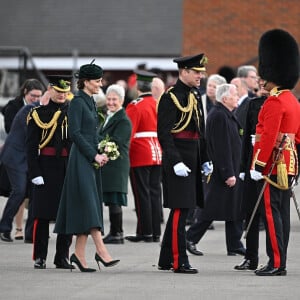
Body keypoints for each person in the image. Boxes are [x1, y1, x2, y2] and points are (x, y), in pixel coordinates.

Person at [54, 61, 119, 272]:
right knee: (90, 205)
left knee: (87, 205)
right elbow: (75, 133)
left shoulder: (90, 101)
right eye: (98, 81)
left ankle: (78, 255)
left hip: (91, 159)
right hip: (80, 160)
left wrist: (105, 147)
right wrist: (94, 154)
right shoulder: (77, 102)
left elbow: (93, 133)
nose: (101, 84)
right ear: (86, 81)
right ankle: (101, 250)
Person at [250, 29, 300, 276]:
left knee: (271, 214)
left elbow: (268, 137)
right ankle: (280, 260)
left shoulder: (275, 101)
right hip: (289, 164)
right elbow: (297, 137)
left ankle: (276, 262)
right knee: (282, 214)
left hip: (273, 164)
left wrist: (258, 165)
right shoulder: (292, 100)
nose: (261, 79)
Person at [157, 53, 211, 274]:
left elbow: (201, 131)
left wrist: (206, 158)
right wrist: (176, 161)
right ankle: (180, 261)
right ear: (184, 72)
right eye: (197, 72)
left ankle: (165, 258)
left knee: (184, 208)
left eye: (201, 73)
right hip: (177, 159)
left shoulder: (195, 95)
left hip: (193, 157)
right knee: (181, 210)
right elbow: (164, 134)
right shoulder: (170, 98)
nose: (201, 76)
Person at [186, 84, 245, 256]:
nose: (237, 97)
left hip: (228, 170)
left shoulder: (226, 114)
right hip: (222, 172)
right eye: (234, 94)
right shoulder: (219, 116)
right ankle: (189, 238)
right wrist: (228, 172)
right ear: (225, 98)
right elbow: (221, 147)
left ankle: (234, 244)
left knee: (233, 208)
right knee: (210, 209)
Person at [26, 75, 73, 269]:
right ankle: (40, 256)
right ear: (50, 90)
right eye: (58, 90)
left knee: (67, 214)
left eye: (65, 91)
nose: (61, 95)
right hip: (45, 166)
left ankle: (62, 256)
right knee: (42, 214)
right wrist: (35, 172)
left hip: (67, 166)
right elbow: (30, 146)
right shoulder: (38, 113)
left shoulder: (73, 112)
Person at [0, 79, 44, 243]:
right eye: (33, 95)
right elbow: (14, 130)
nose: (36, 98)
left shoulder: (38, 108)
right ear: (25, 92)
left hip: (29, 158)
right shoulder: (17, 107)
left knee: (33, 193)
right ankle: (4, 227)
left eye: (39, 96)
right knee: (19, 191)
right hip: (15, 156)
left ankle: (30, 233)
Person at [125, 70, 163, 243]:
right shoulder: (157, 103)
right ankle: (155, 232)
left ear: (138, 86)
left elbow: (129, 133)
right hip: (157, 152)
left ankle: (145, 232)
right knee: (154, 193)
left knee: (142, 194)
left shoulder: (135, 105)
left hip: (140, 153)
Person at [234, 85, 268, 271]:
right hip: (252, 165)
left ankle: (275, 258)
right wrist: (243, 167)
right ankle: (251, 257)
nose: (261, 86)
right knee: (251, 213)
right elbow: (246, 137)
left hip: (273, 166)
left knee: (271, 216)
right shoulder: (253, 104)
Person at [100, 84, 132, 244]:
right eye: (109, 99)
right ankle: (115, 232)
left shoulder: (123, 120)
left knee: (115, 199)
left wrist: (99, 144)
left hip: (116, 165)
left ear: (122, 100)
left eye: (115, 99)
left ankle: (117, 233)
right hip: (108, 165)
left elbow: (116, 141)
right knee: (111, 199)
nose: (111, 102)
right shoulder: (109, 116)